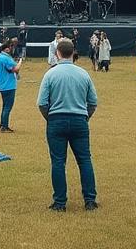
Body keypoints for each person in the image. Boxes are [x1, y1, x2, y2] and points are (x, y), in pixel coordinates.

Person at [37, 38, 98, 211]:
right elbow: (93, 102)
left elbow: (42, 103)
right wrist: (85, 117)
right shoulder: (83, 74)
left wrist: (50, 118)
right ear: (73, 53)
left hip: (56, 120)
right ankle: (90, 200)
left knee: (58, 162)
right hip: (79, 120)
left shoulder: (50, 74)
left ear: (57, 53)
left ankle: (60, 202)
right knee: (85, 160)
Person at [0, 37, 20, 132]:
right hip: (9, 85)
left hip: (2, 85)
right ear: (6, 49)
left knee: (5, 106)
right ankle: (4, 126)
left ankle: (2, 123)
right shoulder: (5, 58)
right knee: (8, 107)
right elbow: (15, 69)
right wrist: (20, 61)